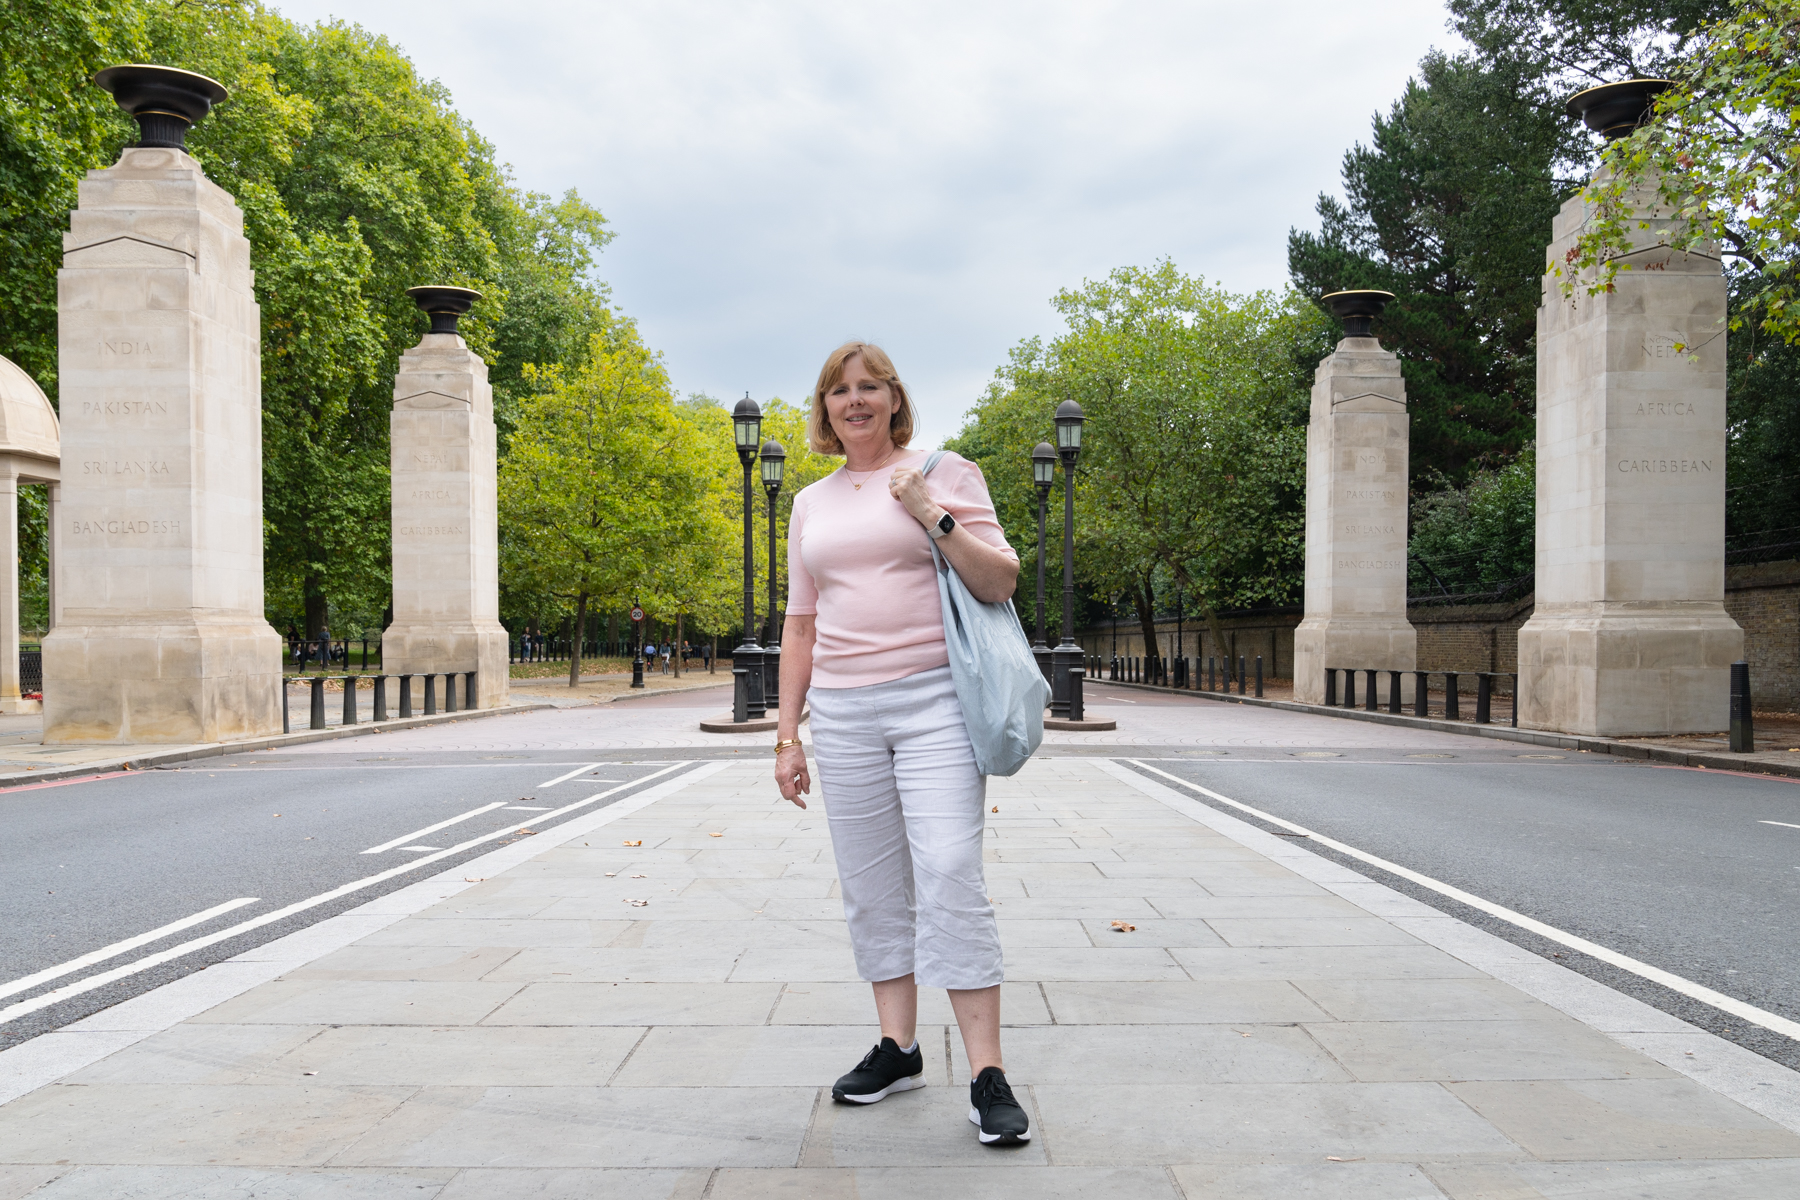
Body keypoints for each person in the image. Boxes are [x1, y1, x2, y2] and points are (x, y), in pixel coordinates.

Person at [773, 341, 1029, 1146]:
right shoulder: (810, 503)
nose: (855, 401)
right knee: (873, 882)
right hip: (843, 713)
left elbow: (1000, 580)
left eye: (869, 388)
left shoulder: (943, 473)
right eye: (839, 391)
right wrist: (788, 736)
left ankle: (987, 1071)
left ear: (893, 398)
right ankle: (900, 1048)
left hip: (935, 704)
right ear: (825, 409)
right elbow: (801, 623)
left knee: (950, 868)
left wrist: (930, 511)